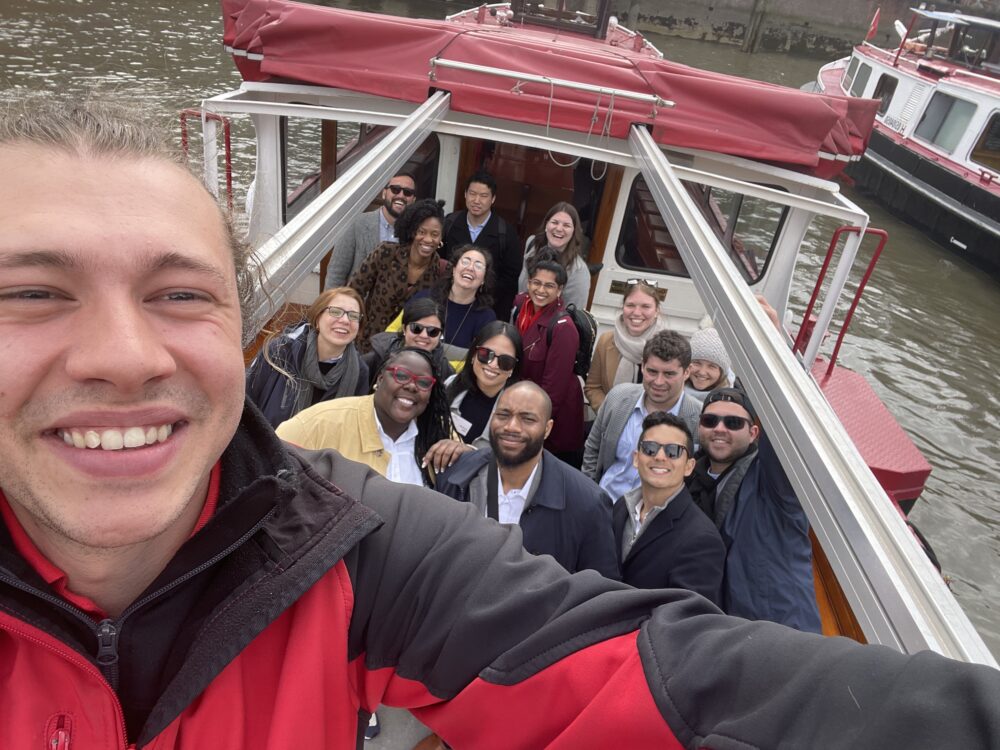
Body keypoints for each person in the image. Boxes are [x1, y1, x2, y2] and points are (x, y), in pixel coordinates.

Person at [2, 96, 997, 750]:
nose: (124, 355)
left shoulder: (354, 555)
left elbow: (668, 683)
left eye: (181, 296)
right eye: (32, 295)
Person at [436, 382, 619, 579]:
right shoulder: (453, 475)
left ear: (547, 429)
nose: (512, 427)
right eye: (503, 415)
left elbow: (601, 588)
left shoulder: (587, 502)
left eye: (528, 419)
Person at [687, 387, 822, 632]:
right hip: (723, 626)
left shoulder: (774, 484)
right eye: (710, 420)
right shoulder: (690, 477)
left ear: (753, 433)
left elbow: (787, 426)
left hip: (780, 628)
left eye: (733, 422)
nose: (719, 428)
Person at [276, 348, 452, 488]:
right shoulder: (322, 422)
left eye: (423, 382)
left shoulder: (438, 433)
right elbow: (273, 455)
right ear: (381, 379)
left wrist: (464, 452)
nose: (412, 386)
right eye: (401, 376)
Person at [613, 412, 725, 605]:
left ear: (689, 466)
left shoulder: (702, 540)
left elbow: (688, 618)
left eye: (673, 451)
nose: (660, 457)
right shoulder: (621, 507)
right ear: (636, 458)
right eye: (650, 449)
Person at [583, 330, 701, 499]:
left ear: (687, 372)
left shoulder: (698, 418)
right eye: (652, 371)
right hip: (603, 505)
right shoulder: (618, 398)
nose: (659, 382)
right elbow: (593, 449)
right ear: (642, 366)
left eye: (669, 374)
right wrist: (589, 494)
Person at [245, 287, 369, 427]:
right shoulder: (280, 352)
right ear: (317, 318)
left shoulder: (359, 373)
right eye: (335, 312)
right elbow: (246, 401)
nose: (345, 320)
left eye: (353, 315)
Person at [513, 254, 584, 466]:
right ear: (528, 283)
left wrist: (534, 425)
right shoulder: (521, 308)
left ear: (560, 290)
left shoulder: (563, 328)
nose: (541, 290)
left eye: (549, 286)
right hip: (525, 406)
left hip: (552, 425)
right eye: (536, 283)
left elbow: (554, 389)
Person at [348, 198, 444, 350]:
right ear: (412, 231)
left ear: (440, 238)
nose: (428, 239)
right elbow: (354, 290)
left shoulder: (442, 272)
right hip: (367, 345)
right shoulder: (386, 252)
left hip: (408, 353)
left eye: (434, 234)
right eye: (422, 232)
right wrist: (355, 325)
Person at [441, 171, 522, 320]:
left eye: (484, 196)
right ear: (465, 194)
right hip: (449, 303)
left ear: (493, 199)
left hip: (487, 307)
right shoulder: (450, 223)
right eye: (472, 193)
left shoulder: (506, 233)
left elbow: (511, 276)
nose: (476, 200)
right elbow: (439, 260)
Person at [585, 279, 672, 411]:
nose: (636, 312)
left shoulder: (670, 347)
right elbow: (593, 387)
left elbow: (674, 396)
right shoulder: (606, 341)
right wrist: (610, 412)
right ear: (623, 307)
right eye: (630, 305)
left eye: (645, 306)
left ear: (657, 311)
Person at [404, 244, 497, 361]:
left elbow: (477, 359)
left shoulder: (486, 317)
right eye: (466, 262)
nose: (470, 268)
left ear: (483, 279)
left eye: (478, 266)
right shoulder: (424, 297)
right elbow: (398, 333)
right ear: (454, 269)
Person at [324, 171, 417, 288]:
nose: (401, 195)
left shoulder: (417, 233)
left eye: (407, 192)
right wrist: (330, 305)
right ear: (384, 193)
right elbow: (336, 273)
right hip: (357, 304)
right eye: (395, 189)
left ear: (413, 200)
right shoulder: (356, 224)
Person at [444, 321, 521, 445]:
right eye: (485, 354)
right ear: (473, 355)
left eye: (505, 361)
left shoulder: (518, 409)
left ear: (513, 369)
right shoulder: (450, 384)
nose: (492, 365)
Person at [363, 297, 455, 389]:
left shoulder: (445, 371)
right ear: (404, 329)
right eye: (416, 328)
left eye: (433, 331)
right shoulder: (378, 356)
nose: (424, 335)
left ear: (440, 335)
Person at [517, 202, 591, 310]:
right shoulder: (532, 245)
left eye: (566, 225)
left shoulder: (578, 270)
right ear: (546, 225)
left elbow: (574, 313)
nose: (559, 229)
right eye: (555, 222)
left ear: (574, 231)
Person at [685, 327, 731, 402]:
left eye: (712, 366)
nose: (702, 372)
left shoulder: (729, 402)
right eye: (697, 363)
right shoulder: (670, 392)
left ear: (721, 373)